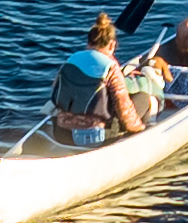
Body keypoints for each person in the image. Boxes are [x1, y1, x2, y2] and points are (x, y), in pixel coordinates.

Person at [48, 11, 158, 144]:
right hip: (96, 136)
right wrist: (138, 127)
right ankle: (144, 141)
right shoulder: (110, 66)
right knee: (144, 98)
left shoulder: (71, 60)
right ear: (111, 44)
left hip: (62, 132)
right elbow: (124, 108)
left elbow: (56, 89)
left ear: (89, 41)